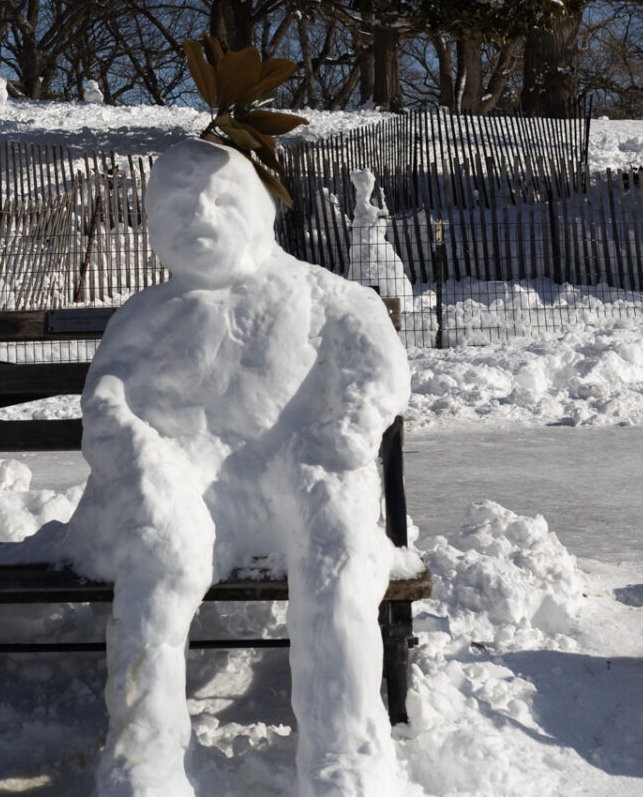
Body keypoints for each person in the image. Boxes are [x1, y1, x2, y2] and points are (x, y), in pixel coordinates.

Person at [61, 139, 410, 797]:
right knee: (162, 544)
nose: (199, 215)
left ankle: (346, 755)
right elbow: (103, 404)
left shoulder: (327, 296)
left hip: (293, 475)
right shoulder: (145, 314)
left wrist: (344, 432)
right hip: (176, 479)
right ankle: (145, 755)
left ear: (255, 210)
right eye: (177, 203)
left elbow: (379, 374)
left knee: (334, 541)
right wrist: (137, 453)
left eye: (220, 198)